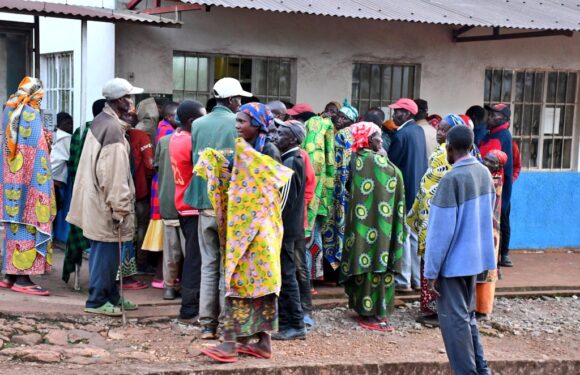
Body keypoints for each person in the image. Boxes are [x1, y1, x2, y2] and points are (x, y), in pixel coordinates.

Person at [198, 103, 292, 362]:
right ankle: (263, 343)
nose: (237, 126)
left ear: (258, 123)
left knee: (241, 282)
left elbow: (275, 189)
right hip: (243, 229)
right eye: (236, 121)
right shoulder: (244, 150)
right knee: (254, 284)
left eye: (242, 121)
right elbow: (236, 182)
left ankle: (229, 345)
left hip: (260, 230)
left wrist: (264, 225)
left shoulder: (267, 150)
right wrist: (218, 168)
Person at [183, 77, 252, 339]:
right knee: (227, 267)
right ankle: (225, 323)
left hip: (203, 203)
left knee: (208, 264)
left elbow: (194, 162)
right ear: (233, 100)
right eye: (239, 100)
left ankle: (206, 325)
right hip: (228, 205)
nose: (240, 104)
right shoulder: (237, 125)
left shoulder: (198, 124)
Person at [67, 77, 142, 316]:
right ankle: (97, 300)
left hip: (97, 200)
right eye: (130, 98)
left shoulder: (103, 121)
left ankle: (112, 295)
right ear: (121, 101)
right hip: (105, 205)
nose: (133, 103)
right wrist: (120, 209)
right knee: (106, 253)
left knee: (110, 253)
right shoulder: (112, 131)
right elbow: (113, 175)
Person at [425, 125, 495, 375]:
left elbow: (439, 233)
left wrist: (431, 271)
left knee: (455, 326)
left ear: (450, 149)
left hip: (453, 266)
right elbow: (489, 214)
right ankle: (481, 369)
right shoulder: (484, 173)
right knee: (468, 319)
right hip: (475, 260)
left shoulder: (451, 179)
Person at [339, 122, 405, 332]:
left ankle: (362, 307)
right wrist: (385, 157)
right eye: (377, 137)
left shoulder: (355, 159)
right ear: (367, 139)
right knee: (378, 262)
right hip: (380, 225)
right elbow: (397, 176)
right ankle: (372, 314)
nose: (381, 141)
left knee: (362, 258)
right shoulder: (376, 161)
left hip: (360, 224)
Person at [407, 114, 466, 327]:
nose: (440, 133)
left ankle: (434, 310)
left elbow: (429, 188)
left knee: (433, 264)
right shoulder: (460, 154)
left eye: (445, 130)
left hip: (434, 219)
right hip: (438, 218)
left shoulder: (442, 154)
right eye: (439, 129)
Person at [0, 77, 55, 296]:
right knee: (28, 224)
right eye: (40, 96)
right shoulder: (29, 113)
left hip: (11, 179)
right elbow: (38, 148)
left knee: (15, 224)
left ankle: (10, 275)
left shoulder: (9, 109)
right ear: (34, 94)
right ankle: (23, 278)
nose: (40, 101)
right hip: (31, 183)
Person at [169, 100, 206, 316]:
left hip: (182, 202)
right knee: (195, 258)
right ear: (192, 121)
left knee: (193, 256)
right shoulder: (191, 142)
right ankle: (190, 307)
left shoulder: (176, 136)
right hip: (192, 205)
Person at [62, 99, 105, 283]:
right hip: (99, 192)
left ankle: (81, 279)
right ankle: (102, 283)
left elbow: (72, 164)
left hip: (80, 189)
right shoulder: (103, 132)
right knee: (102, 240)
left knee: (80, 230)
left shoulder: (80, 130)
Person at [387, 98, 428, 291]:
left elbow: (391, 165)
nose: (394, 115)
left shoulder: (401, 135)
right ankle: (416, 280)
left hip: (405, 192)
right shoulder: (417, 131)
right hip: (417, 191)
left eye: (397, 111)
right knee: (413, 237)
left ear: (407, 114)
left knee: (404, 236)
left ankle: (403, 280)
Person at [273, 120, 307, 340]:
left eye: (281, 133)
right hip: (289, 228)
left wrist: (274, 226)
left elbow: (283, 201)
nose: (276, 136)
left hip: (285, 229)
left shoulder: (291, 162)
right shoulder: (291, 158)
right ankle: (290, 323)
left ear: (293, 138)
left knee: (287, 277)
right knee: (287, 276)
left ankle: (294, 325)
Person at [479, 103, 514, 268]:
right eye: (490, 114)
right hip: (483, 186)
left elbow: (509, 169)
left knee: (502, 221)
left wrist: (504, 194)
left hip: (498, 188)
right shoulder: (486, 134)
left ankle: (503, 254)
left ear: (504, 119)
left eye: (495, 115)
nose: (491, 117)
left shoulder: (505, 136)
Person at [302, 115, 335, 282]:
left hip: (311, 202)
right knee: (314, 237)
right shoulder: (324, 149)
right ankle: (312, 278)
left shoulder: (308, 152)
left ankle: (308, 280)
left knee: (310, 238)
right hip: (320, 199)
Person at [476, 149, 508, 321]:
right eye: (485, 159)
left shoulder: (494, 181)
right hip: (485, 228)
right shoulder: (487, 178)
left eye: (490, 161)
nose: (485, 162)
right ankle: (476, 306)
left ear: (498, 166)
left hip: (490, 231)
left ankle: (483, 309)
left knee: (487, 274)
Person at [51, 112, 73, 243]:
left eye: (71, 123)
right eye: (67, 124)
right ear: (59, 125)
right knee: (54, 209)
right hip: (55, 180)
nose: (70, 126)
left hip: (49, 176)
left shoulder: (54, 135)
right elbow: (71, 157)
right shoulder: (66, 138)